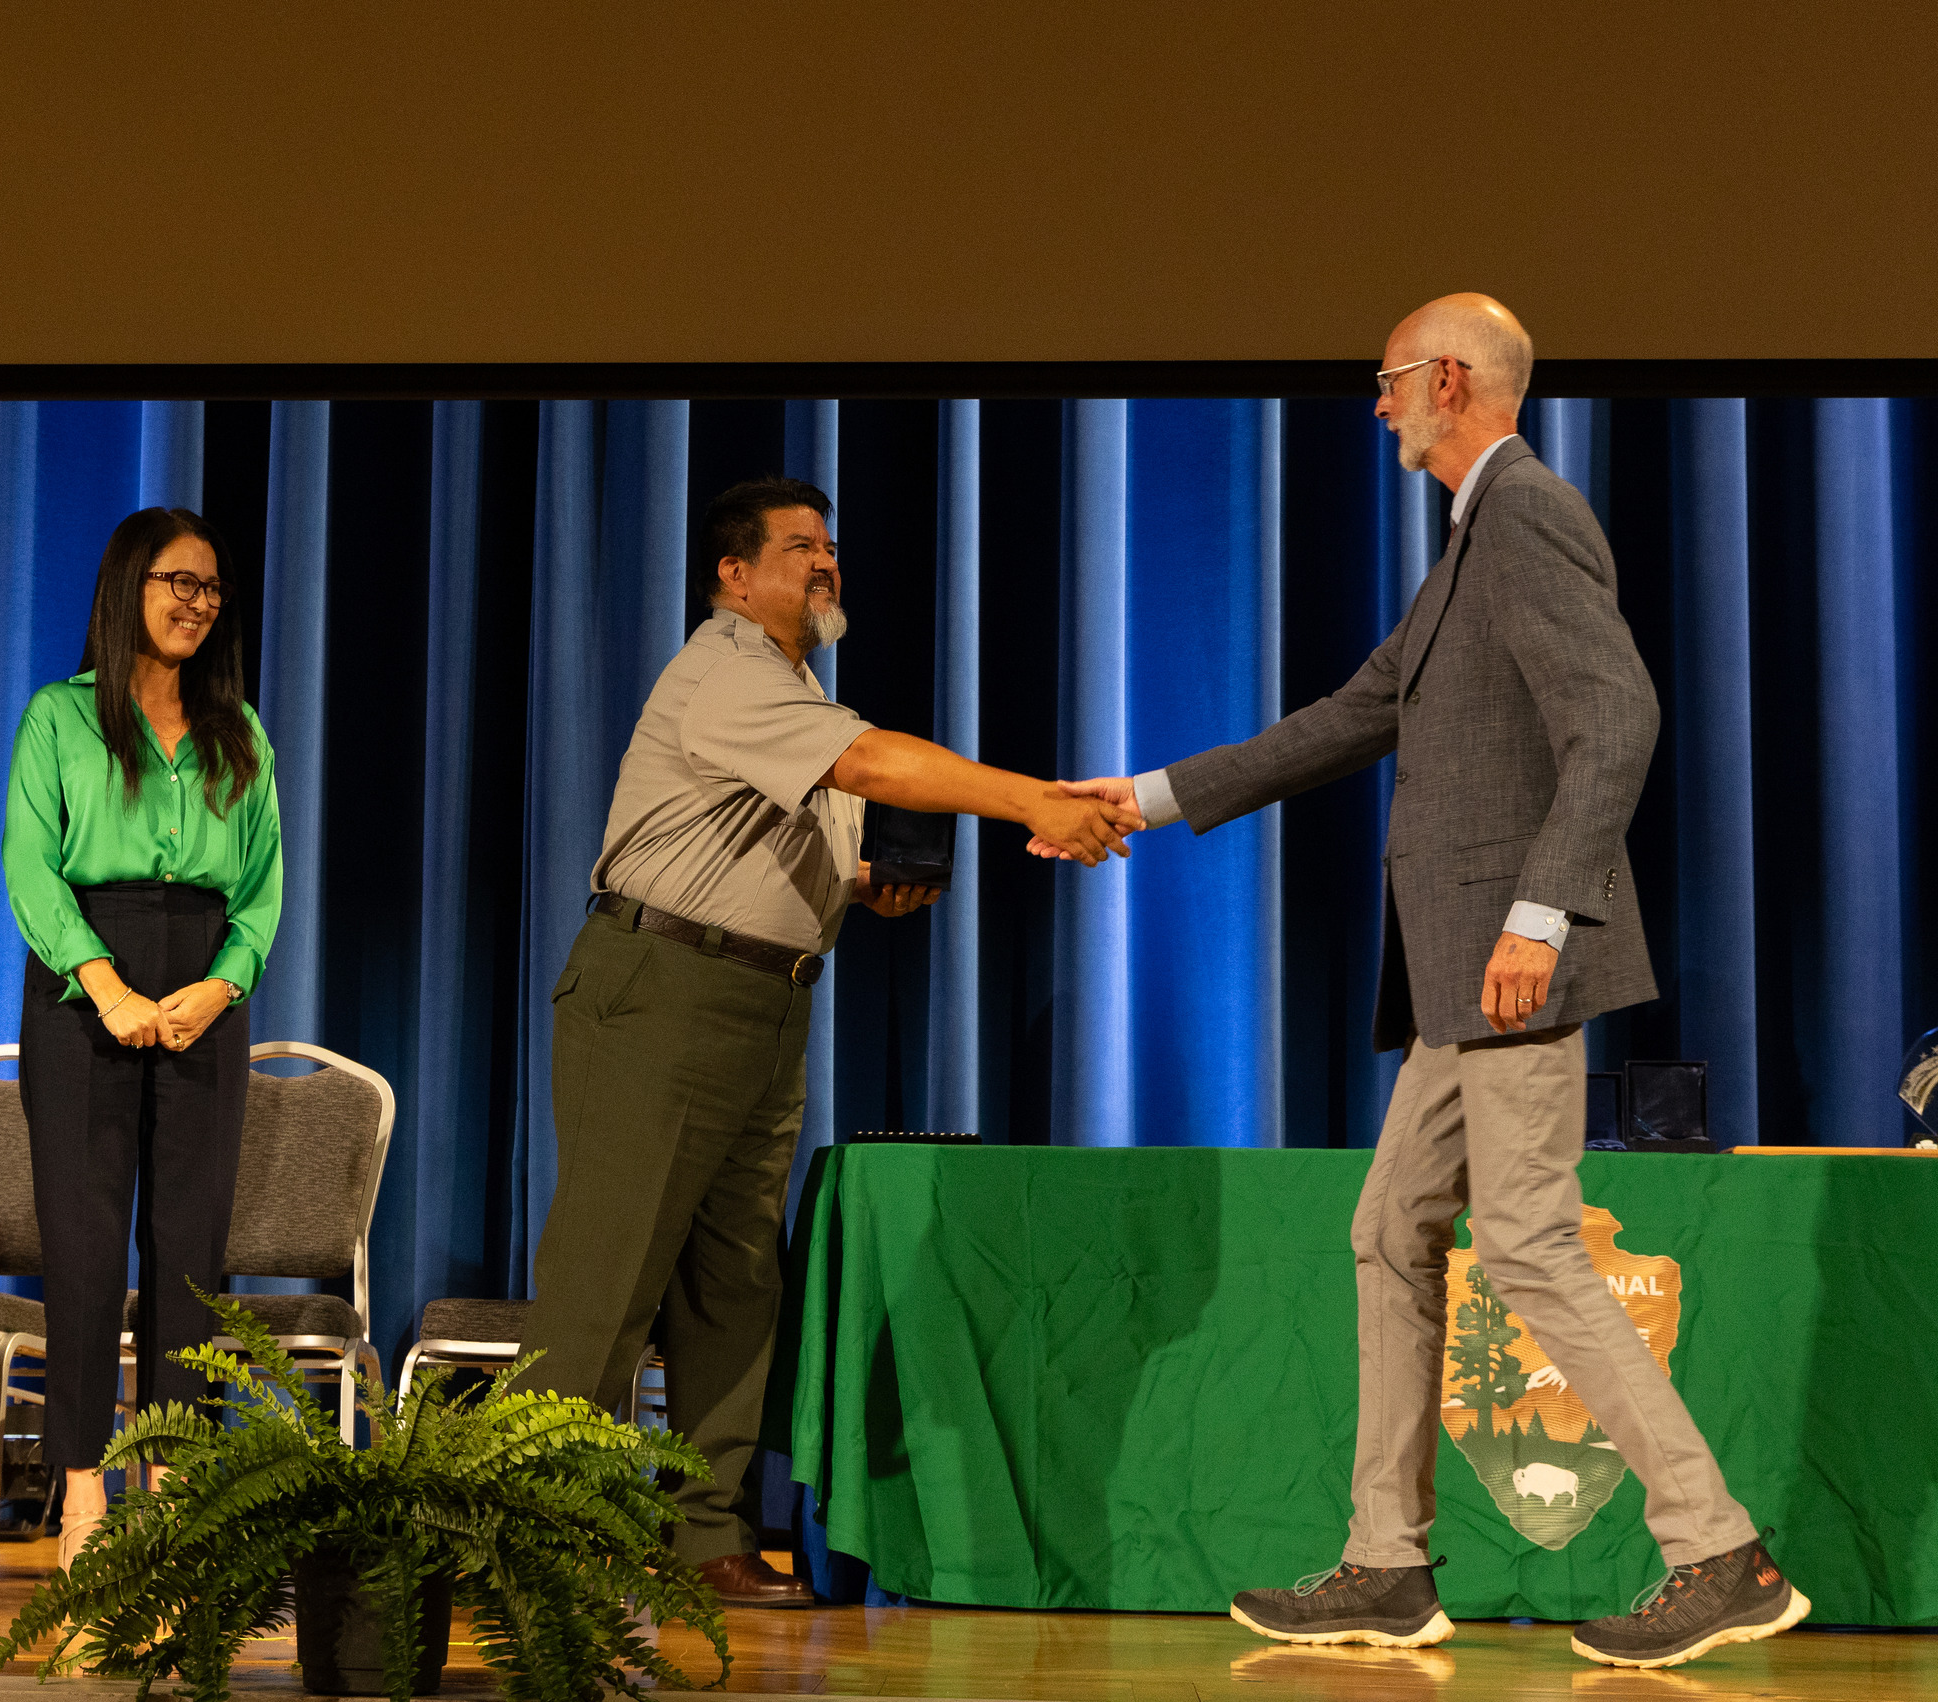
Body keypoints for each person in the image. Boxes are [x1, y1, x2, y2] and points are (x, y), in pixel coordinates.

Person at [1042, 296, 1807, 1669]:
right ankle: (1387, 1565)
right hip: (1462, 974)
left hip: (1513, 963)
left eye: (1390, 380)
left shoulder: (1525, 514)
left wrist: (1540, 912)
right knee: (1393, 1228)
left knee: (1525, 1242)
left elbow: (1616, 715)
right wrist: (1141, 799)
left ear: (1448, 377)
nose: (1378, 403)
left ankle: (1719, 1548)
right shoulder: (1466, 545)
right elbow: (1356, 712)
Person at [518, 476, 1136, 1608]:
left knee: (736, 1284)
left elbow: (767, 843)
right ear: (733, 574)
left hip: (763, 999)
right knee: (608, 1277)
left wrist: (857, 884)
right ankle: (537, 1539)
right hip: (662, 988)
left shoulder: (796, 688)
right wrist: (1034, 802)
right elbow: (869, 765)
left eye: (830, 547)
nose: (824, 564)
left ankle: (704, 1536)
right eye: (799, 547)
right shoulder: (726, 671)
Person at [2, 507, 282, 1571]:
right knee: (82, 1250)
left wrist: (222, 983)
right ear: (127, 585)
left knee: (191, 1255)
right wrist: (104, 983)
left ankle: (174, 1496)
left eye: (210, 588)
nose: (196, 603)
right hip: (87, 984)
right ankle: (83, 1496)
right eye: (177, 581)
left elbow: (261, 888)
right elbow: (32, 865)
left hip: (205, 986)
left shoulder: (240, 730)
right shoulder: (60, 718)